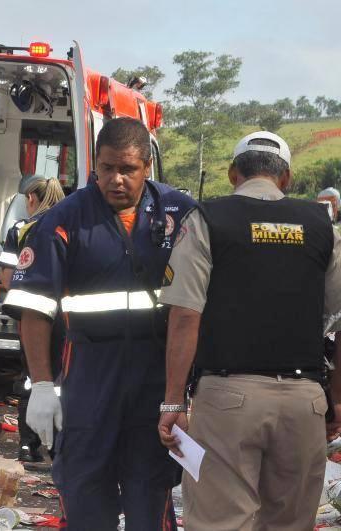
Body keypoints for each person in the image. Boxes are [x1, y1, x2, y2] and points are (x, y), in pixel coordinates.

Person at [4, 117, 196, 529]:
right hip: (88, 373)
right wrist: (40, 385)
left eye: (128, 169)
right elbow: (35, 310)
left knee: (152, 492)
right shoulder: (62, 220)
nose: (116, 179)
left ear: (147, 166)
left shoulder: (178, 214)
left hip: (154, 374)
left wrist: (184, 390)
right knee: (85, 490)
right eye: (107, 168)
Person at [158, 131, 341, 530]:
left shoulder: (207, 218)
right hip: (304, 402)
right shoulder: (322, 225)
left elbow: (186, 315)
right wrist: (336, 399)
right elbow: (337, 314)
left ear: (232, 174)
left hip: (227, 401)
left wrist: (173, 403)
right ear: (287, 178)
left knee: (221, 521)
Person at [0, 174, 65, 462]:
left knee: (33, 377)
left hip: (34, 312)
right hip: (67, 315)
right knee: (64, 376)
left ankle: (28, 443)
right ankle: (59, 443)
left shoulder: (21, 229)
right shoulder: (67, 224)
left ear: (31, 199)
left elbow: (7, 277)